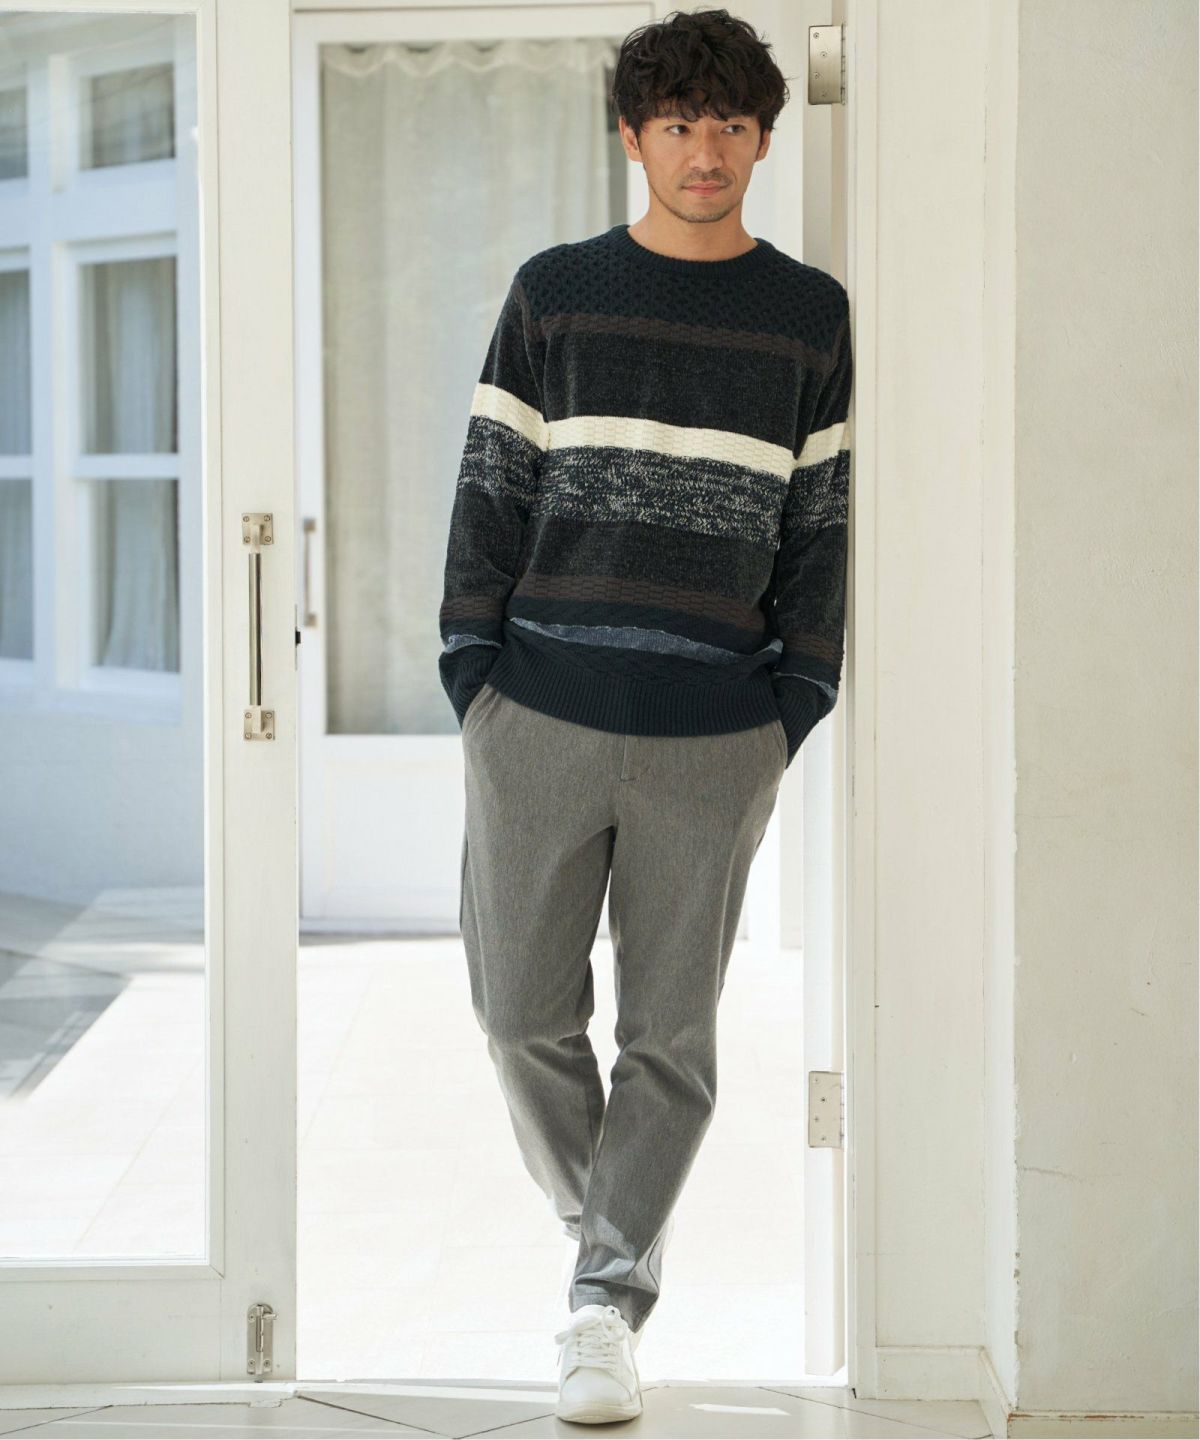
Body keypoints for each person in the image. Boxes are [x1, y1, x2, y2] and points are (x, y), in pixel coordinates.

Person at [437, 5, 852, 1422]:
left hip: (717, 733)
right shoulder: (554, 292)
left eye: (731, 124)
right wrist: (474, 679)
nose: (705, 151)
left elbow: (822, 526)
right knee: (517, 1017)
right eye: (678, 123)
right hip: (538, 713)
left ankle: (602, 1305)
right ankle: (609, 1245)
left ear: (763, 141)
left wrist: (793, 703)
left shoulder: (809, 316)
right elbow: (489, 492)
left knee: (670, 1041)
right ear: (633, 136)